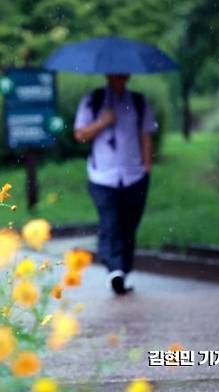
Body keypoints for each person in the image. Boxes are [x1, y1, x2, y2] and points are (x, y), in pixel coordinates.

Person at [73, 73, 157, 295]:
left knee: (129, 225)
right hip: (102, 176)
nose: (118, 78)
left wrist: (147, 166)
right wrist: (102, 122)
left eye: (122, 74)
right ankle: (114, 269)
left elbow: (146, 135)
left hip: (134, 174)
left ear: (127, 76)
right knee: (110, 223)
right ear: (108, 75)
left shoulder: (138, 101)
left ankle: (123, 272)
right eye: (114, 74)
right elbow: (80, 134)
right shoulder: (93, 100)